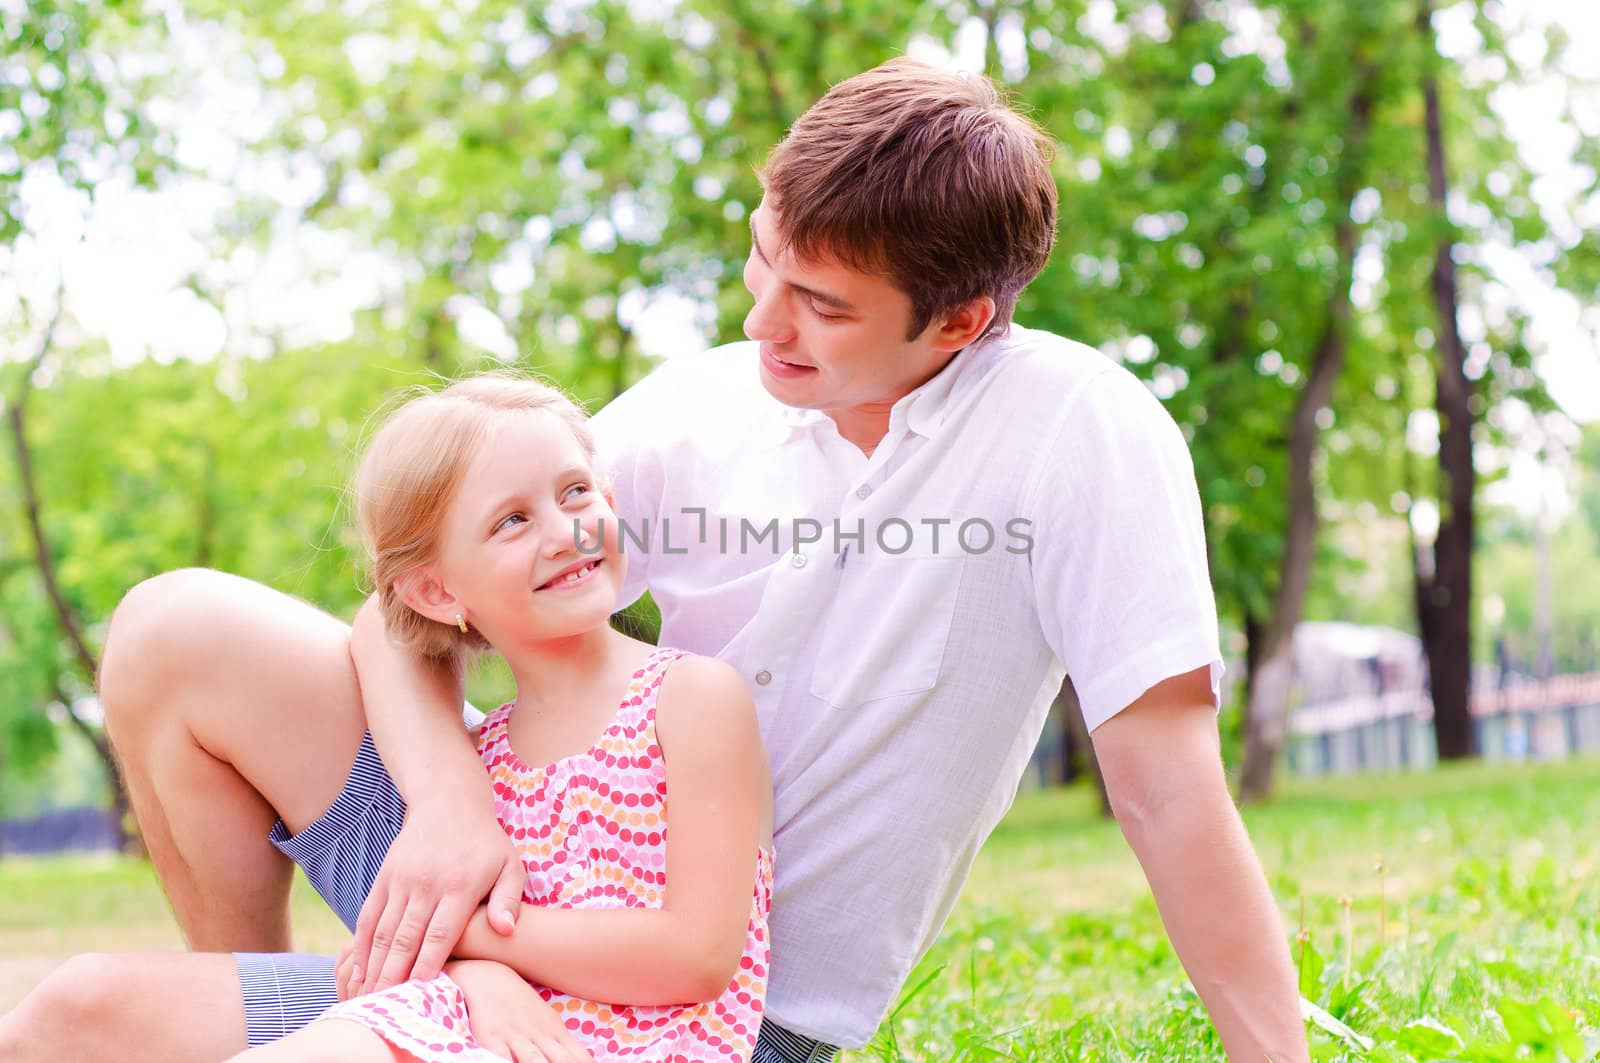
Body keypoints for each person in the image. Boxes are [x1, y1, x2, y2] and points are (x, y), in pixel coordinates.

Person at [0, 57, 1308, 1062]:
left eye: (822, 307)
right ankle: (293, 991)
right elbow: (413, 609)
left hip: (708, 997)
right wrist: (452, 810)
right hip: (517, 877)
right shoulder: (710, 404)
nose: (761, 321)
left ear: (958, 323)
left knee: (81, 1025)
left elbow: (1170, 790)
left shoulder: (1078, 436)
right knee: (175, 630)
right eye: (763, 260)